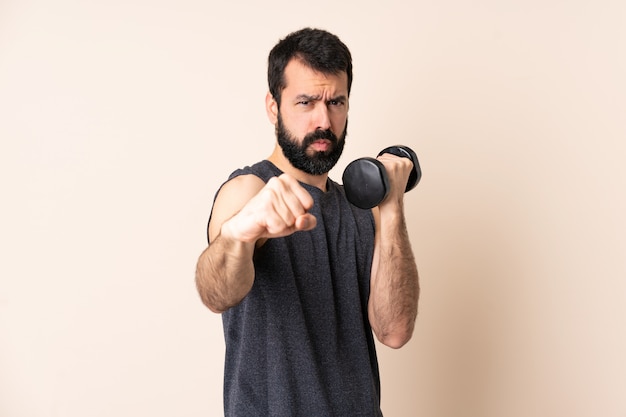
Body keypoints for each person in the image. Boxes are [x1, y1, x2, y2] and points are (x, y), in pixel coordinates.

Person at [195, 27, 420, 416]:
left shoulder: (360, 209)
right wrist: (241, 233)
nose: (324, 120)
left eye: (336, 102)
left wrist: (392, 206)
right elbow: (216, 294)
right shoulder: (249, 191)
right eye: (305, 102)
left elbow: (394, 331)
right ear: (272, 106)